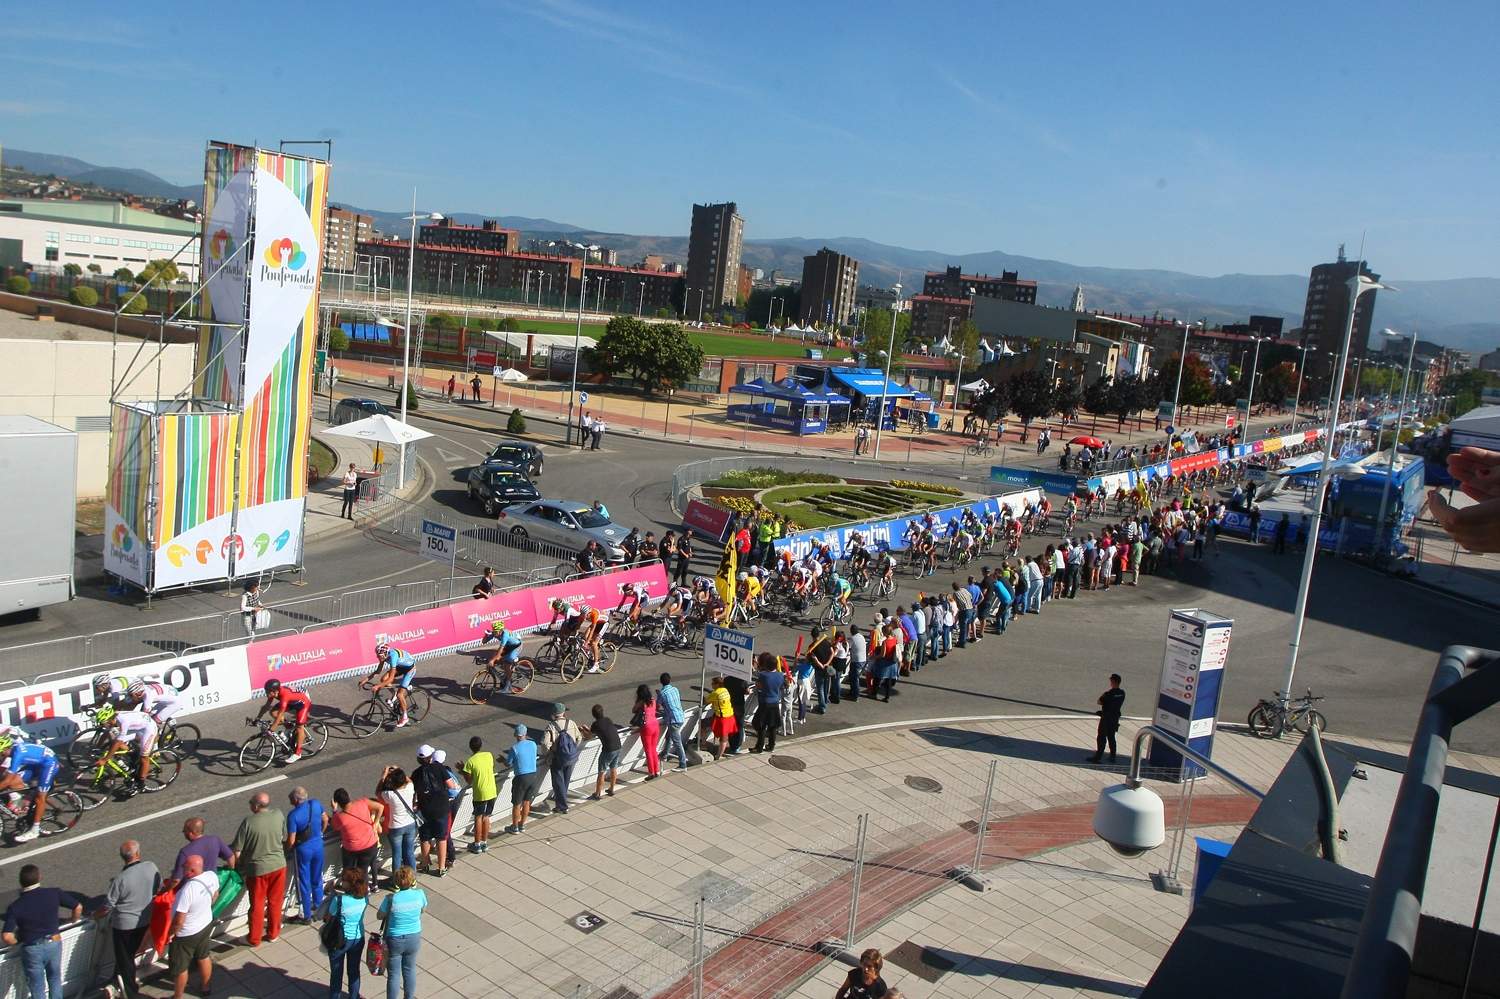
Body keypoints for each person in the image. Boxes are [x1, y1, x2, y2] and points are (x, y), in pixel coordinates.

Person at [2, 864, 81, 999]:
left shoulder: (15, 906)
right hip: (54, 942)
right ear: (39, 877)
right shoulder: (53, 893)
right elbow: (78, 907)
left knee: (37, 987)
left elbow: (7, 936)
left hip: (32, 948)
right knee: (55, 979)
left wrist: (18, 941)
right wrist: (72, 920)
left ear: (21, 882)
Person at [96, 840, 159, 999]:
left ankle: (130, 991)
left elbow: (107, 906)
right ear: (137, 853)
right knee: (128, 955)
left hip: (124, 926)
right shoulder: (151, 867)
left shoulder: (121, 879)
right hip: (144, 921)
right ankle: (114, 983)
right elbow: (157, 889)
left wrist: (94, 916)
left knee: (125, 959)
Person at [232, 791, 287, 947]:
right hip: (279, 865)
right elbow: (282, 836)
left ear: (256, 805)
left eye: (250, 802)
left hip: (258, 870)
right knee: (275, 901)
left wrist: (239, 866)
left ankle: (254, 938)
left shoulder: (249, 822)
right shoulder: (278, 814)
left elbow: (237, 851)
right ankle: (273, 933)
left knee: (257, 904)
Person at [164, 856, 215, 999]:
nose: (183, 870)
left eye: (184, 867)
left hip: (186, 934)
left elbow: (179, 920)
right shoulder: (211, 876)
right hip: (205, 924)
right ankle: (206, 987)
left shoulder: (187, 891)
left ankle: (178, 996)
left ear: (191, 871)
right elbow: (215, 894)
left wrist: (171, 933)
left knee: (181, 967)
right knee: (204, 956)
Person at [0, 728, 59, 842]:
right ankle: (26, 798)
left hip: (49, 765)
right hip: (36, 763)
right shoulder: (12, 751)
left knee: (39, 798)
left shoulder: (17, 755)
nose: (1, 756)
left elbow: (7, 780)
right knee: (14, 781)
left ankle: (35, 830)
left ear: (5, 750)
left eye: (1, 753)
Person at [378, 865, 427, 999]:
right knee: (410, 970)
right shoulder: (420, 894)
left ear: (397, 882)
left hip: (394, 939)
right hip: (414, 937)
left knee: (393, 974)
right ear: (412, 881)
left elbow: (379, 915)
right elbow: (422, 910)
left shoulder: (390, 899)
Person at [283, 786, 328, 926]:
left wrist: (286, 849)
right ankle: (319, 906)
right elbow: (325, 819)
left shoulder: (293, 815)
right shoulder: (315, 804)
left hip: (303, 850)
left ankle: (306, 915)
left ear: (296, 800)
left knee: (303, 882)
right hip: (318, 845)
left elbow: (291, 840)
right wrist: (321, 833)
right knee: (317, 877)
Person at [411, 745, 455, 876]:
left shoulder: (416, 773)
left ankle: (425, 864)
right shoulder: (439, 768)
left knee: (425, 838)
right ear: (431, 757)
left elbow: (412, 790)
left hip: (424, 809)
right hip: (441, 808)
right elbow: (451, 785)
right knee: (441, 838)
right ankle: (441, 868)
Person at [330, 788, 384, 893]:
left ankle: (349, 890)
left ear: (337, 803)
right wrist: (376, 822)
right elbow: (380, 807)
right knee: (362, 871)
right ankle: (363, 891)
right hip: (370, 845)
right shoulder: (363, 802)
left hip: (351, 849)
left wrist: (334, 810)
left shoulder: (340, 817)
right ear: (348, 796)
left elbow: (335, 827)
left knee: (348, 871)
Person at [325, 868, 368, 999]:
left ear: (349, 883)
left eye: (343, 880)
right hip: (358, 938)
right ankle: (354, 996)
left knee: (337, 973)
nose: (342, 882)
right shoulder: (364, 899)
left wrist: (331, 892)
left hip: (339, 940)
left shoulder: (339, 901)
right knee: (354, 971)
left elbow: (328, 917)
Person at [540, 703, 583, 815]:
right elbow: (579, 738)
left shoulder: (551, 726)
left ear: (553, 714)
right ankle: (561, 801)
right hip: (571, 757)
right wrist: (573, 749)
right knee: (565, 781)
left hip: (557, 758)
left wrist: (548, 754)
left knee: (558, 782)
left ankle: (562, 806)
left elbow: (544, 743)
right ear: (564, 712)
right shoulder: (571, 723)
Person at [167, 818, 235, 890]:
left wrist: (164, 891)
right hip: (211, 886)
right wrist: (230, 869)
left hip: (191, 889)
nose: (183, 833)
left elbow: (176, 880)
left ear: (191, 833)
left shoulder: (185, 852)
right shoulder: (215, 840)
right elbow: (231, 857)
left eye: (184, 831)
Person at [254, 677, 311, 761]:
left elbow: (281, 713)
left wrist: (273, 727)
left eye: (268, 691)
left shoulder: (284, 696)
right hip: (292, 701)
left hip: (303, 702)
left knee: (299, 726)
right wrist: (257, 718)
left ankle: (298, 753)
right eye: (266, 691)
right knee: (273, 712)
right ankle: (289, 727)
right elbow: (266, 706)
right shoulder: (273, 693)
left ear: (275, 691)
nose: (266, 693)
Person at [363, 641, 417, 729]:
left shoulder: (392, 657)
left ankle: (405, 717)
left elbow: (391, 679)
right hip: (400, 666)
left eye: (379, 655)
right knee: (383, 679)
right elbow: (378, 671)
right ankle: (394, 694)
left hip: (409, 670)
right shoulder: (384, 655)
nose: (378, 657)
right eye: (377, 655)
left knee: (400, 694)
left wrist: (378, 686)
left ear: (385, 654)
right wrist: (365, 679)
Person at [378, 766, 419, 873]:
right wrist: (399, 770)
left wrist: (384, 775)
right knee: (409, 852)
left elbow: (378, 792)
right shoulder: (410, 788)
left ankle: (396, 881)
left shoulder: (390, 795)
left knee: (397, 854)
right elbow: (409, 780)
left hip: (396, 827)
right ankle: (412, 877)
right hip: (410, 824)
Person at [461, 735, 499, 852]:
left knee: (478, 817)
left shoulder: (470, 761)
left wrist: (462, 769)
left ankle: (476, 844)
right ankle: (484, 842)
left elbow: (469, 780)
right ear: (481, 745)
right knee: (486, 816)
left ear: (470, 747)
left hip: (480, 793)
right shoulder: (488, 755)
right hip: (492, 790)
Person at [505, 724, 539, 834]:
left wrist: (503, 760)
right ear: (526, 734)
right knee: (527, 801)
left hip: (521, 777)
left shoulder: (514, 748)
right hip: (533, 775)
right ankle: (522, 824)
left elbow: (508, 763)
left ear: (516, 735)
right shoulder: (533, 744)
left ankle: (514, 827)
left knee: (517, 803)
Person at [1086, 674, 1127, 764]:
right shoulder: (1122, 693)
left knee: (1101, 737)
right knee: (1111, 737)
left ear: (1113, 682)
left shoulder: (1108, 693)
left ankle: (1098, 757)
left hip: (1106, 718)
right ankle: (1113, 756)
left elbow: (1099, 701)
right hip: (1115, 718)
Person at [752, 653, 785, 753]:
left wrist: (755, 663)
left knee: (760, 724)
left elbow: (756, 678)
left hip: (764, 703)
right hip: (775, 702)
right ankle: (771, 746)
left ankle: (759, 747)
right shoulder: (780, 675)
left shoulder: (763, 675)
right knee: (772, 726)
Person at [481, 619, 525, 693]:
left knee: (507, 664)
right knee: (495, 656)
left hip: (516, 646)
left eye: (495, 631)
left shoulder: (505, 635)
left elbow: (500, 649)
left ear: (500, 630)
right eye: (493, 631)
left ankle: (508, 686)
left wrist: (493, 660)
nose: (494, 633)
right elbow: (484, 641)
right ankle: (507, 673)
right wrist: (486, 635)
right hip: (508, 646)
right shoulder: (495, 633)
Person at [657, 673, 689, 772]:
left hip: (673, 720)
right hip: (680, 716)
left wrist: (659, 695)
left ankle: (683, 764)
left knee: (677, 742)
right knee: (669, 736)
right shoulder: (675, 689)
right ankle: (664, 754)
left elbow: (658, 706)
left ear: (661, 682)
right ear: (670, 680)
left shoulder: (662, 693)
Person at [633, 685, 662, 780]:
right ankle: (656, 770)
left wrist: (638, 701)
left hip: (647, 727)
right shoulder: (652, 700)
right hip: (655, 725)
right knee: (654, 749)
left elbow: (633, 710)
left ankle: (651, 773)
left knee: (648, 750)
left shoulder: (641, 702)